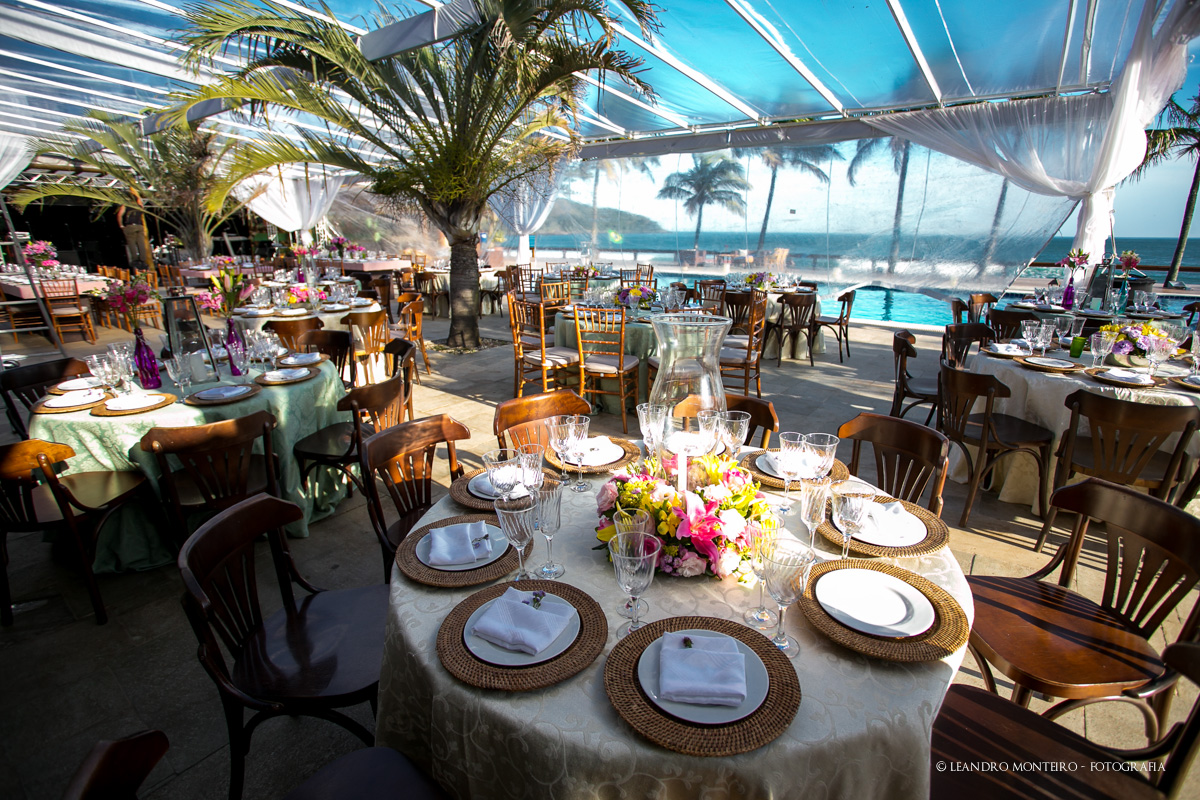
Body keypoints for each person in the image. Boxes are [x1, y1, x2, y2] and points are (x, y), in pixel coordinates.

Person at [117, 204, 151, 271]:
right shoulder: (139, 206)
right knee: (141, 243)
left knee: (131, 242)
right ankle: (142, 259)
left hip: (130, 225)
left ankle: (135, 259)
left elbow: (119, 215)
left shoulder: (125, 205)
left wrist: (121, 225)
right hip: (140, 226)